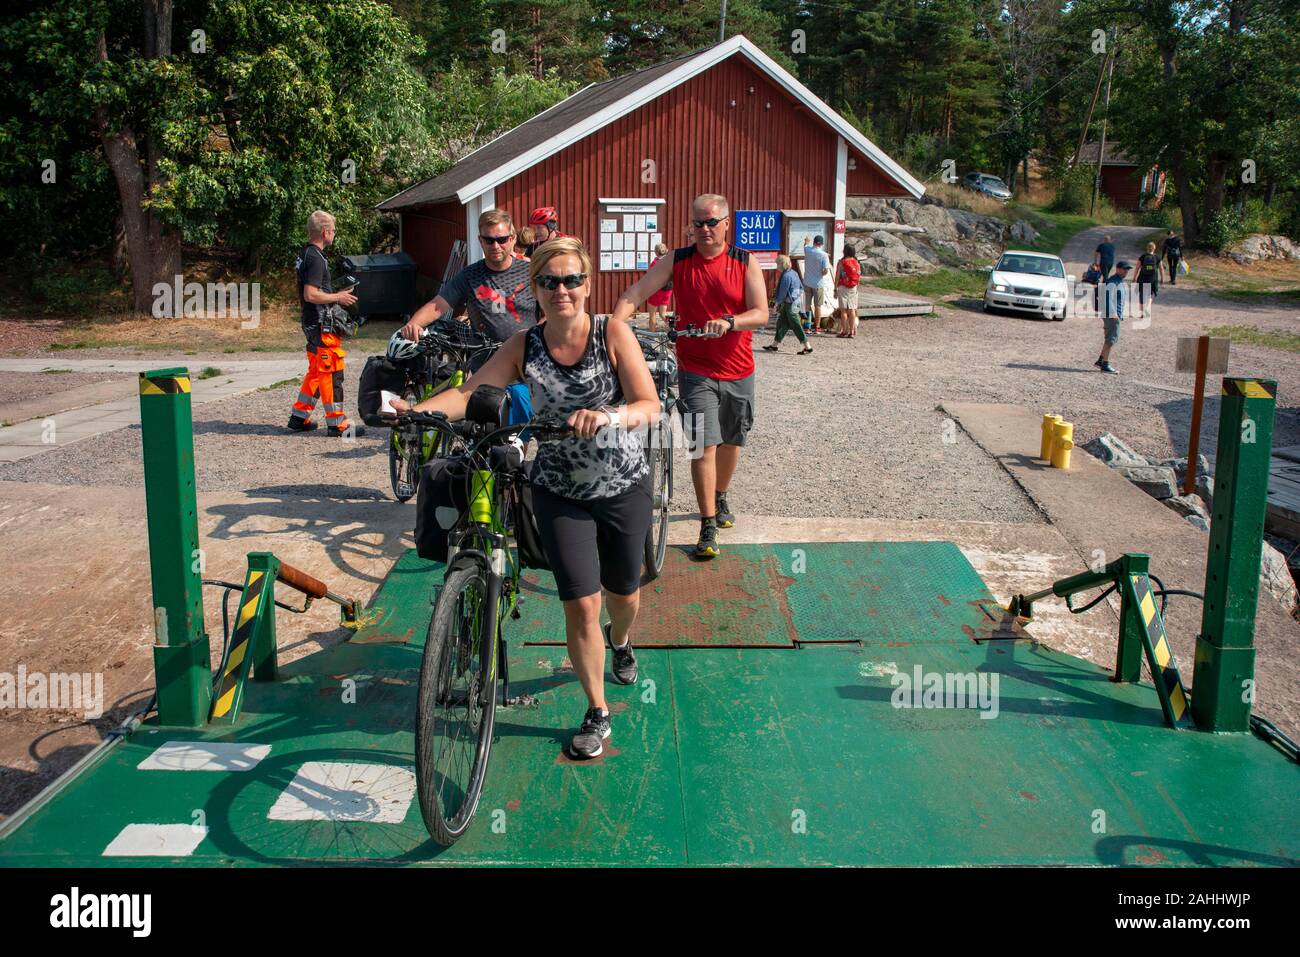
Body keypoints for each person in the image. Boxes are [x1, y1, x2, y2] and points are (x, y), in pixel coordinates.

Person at [391, 238, 660, 760]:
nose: (562, 290)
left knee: (622, 594)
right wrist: (416, 410)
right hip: (558, 489)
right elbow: (471, 393)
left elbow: (648, 404)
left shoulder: (612, 333)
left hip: (622, 483)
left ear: (587, 284)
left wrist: (608, 416)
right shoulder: (523, 345)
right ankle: (596, 710)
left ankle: (622, 641)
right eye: (550, 281)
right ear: (534, 287)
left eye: (572, 280)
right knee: (580, 603)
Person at [610, 192, 769, 559]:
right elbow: (636, 292)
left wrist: (731, 322)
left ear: (727, 223)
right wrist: (616, 325)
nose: (705, 229)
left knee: (732, 442)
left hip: (738, 369)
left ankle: (720, 494)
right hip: (695, 371)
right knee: (702, 446)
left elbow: (761, 312)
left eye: (712, 222)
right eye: (698, 223)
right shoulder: (677, 260)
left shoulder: (745, 263)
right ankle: (707, 523)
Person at [399, 209, 537, 423]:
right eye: (489, 240)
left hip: (524, 361)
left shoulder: (530, 272)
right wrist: (414, 324)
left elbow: (549, 312)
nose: (496, 246)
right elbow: (439, 304)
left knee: (519, 428)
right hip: (484, 362)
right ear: (480, 241)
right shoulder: (470, 275)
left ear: (512, 238)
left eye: (502, 239)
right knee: (479, 425)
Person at [289, 210, 364, 436]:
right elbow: (310, 294)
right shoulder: (316, 258)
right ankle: (337, 423)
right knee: (331, 371)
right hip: (320, 323)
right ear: (324, 232)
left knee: (316, 370)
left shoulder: (306, 253)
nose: (334, 234)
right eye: (333, 230)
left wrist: (336, 292)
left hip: (311, 321)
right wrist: (338, 297)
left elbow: (313, 292)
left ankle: (298, 417)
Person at [762, 254, 812, 355]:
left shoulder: (786, 276)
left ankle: (807, 346)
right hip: (795, 302)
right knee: (781, 323)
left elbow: (782, 292)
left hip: (791, 304)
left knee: (796, 324)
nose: (777, 266)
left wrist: (776, 305)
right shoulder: (794, 273)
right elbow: (801, 287)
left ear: (781, 264)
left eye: (777, 264)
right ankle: (774, 345)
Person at [1096, 260, 1131, 375]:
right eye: (1124, 269)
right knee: (1111, 339)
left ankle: (1101, 360)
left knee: (1110, 338)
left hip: (1114, 314)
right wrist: (1113, 313)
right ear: (1118, 269)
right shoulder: (1113, 281)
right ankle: (1105, 364)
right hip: (1111, 315)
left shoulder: (1119, 281)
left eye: (1127, 269)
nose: (1126, 271)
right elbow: (1107, 298)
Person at [801, 235, 830, 333]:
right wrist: (821, 273)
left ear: (814, 242)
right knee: (818, 306)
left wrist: (806, 241)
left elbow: (805, 245)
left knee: (807, 305)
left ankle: (807, 327)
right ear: (821, 244)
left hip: (807, 282)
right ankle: (817, 327)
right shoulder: (824, 255)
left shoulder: (808, 251)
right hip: (818, 283)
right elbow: (826, 271)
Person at [834, 244, 861, 338]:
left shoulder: (841, 262)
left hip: (843, 287)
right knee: (852, 309)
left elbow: (837, 276)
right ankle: (852, 331)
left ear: (844, 251)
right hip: (853, 287)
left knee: (843, 311)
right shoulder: (856, 262)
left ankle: (844, 331)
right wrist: (856, 287)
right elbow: (858, 276)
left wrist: (835, 288)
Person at [645, 243, 673, 331]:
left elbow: (650, 277)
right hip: (668, 290)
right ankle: (673, 329)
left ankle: (652, 334)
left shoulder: (654, 263)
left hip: (656, 291)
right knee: (663, 314)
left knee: (652, 315)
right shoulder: (669, 261)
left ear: (656, 252)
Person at [1135, 240, 1161, 314]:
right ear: (1154, 248)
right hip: (1153, 279)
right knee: (1150, 294)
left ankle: (1142, 312)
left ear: (1147, 248)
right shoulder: (1157, 257)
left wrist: (1134, 277)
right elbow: (1161, 269)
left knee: (1141, 294)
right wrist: (1162, 278)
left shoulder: (1143, 257)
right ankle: (1148, 306)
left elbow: (1137, 267)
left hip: (1143, 278)